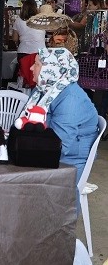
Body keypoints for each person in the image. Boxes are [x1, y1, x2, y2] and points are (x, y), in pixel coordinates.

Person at [27, 47, 99, 181]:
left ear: (52, 69)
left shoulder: (71, 99)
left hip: (69, 160)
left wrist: (25, 150)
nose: (31, 68)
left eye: (36, 64)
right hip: (46, 148)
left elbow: (59, 144)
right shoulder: (43, 90)